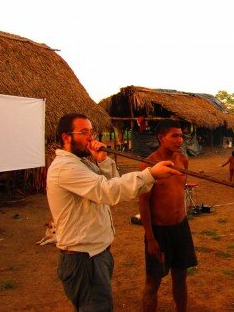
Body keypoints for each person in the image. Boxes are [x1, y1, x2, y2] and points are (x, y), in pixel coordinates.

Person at [46, 113, 182, 311]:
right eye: (83, 132)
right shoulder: (66, 167)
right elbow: (108, 191)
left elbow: (112, 183)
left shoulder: (81, 162)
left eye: (91, 132)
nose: (91, 138)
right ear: (66, 137)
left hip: (96, 255)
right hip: (84, 259)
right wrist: (150, 174)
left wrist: (103, 161)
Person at [139, 120, 197, 312]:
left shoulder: (182, 160)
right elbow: (144, 203)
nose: (180, 140)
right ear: (161, 138)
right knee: (153, 282)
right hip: (159, 231)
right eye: (175, 136)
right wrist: (150, 238)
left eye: (181, 136)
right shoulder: (148, 166)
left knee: (181, 276)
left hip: (180, 227)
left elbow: (178, 192)